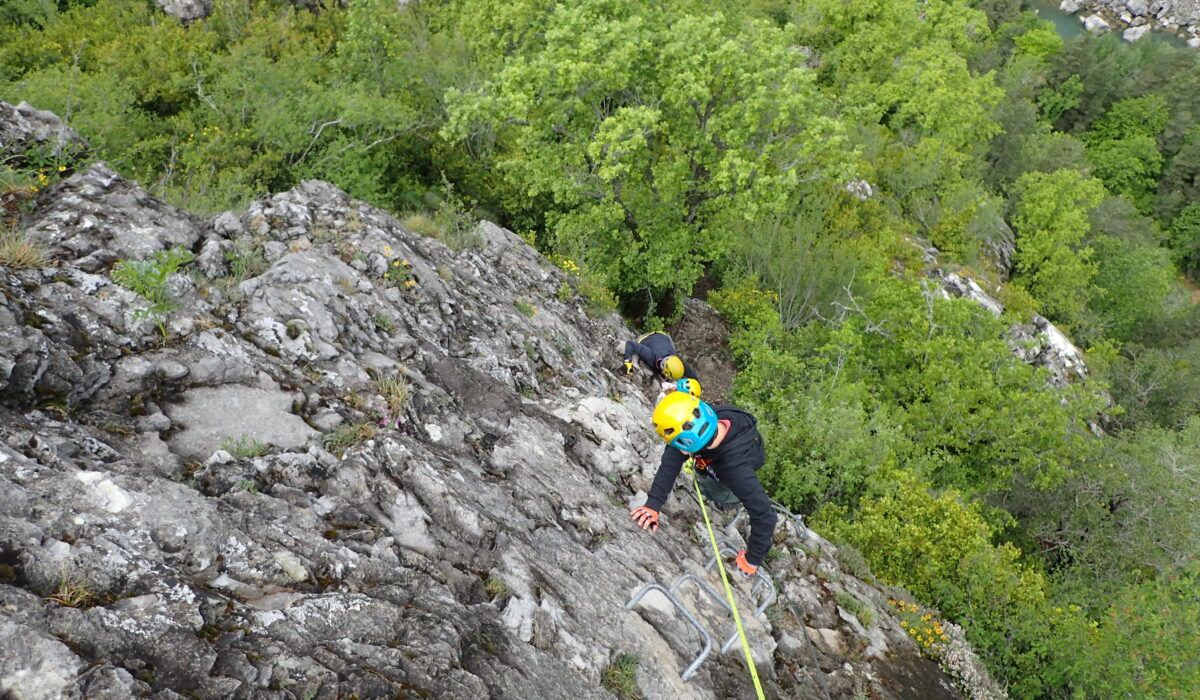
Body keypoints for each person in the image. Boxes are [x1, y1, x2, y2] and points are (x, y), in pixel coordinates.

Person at [629, 392, 777, 577]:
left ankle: (727, 501)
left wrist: (752, 559)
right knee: (701, 468)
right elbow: (671, 462)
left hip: (738, 465)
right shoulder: (706, 415)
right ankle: (702, 466)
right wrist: (653, 505)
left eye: (681, 446)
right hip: (733, 448)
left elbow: (765, 515)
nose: (677, 450)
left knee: (716, 490)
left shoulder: (735, 470)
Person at [617, 331, 697, 382]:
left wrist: (697, 384)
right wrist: (628, 361)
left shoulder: (675, 359)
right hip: (646, 338)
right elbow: (630, 344)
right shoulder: (651, 355)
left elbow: (687, 370)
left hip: (664, 337)